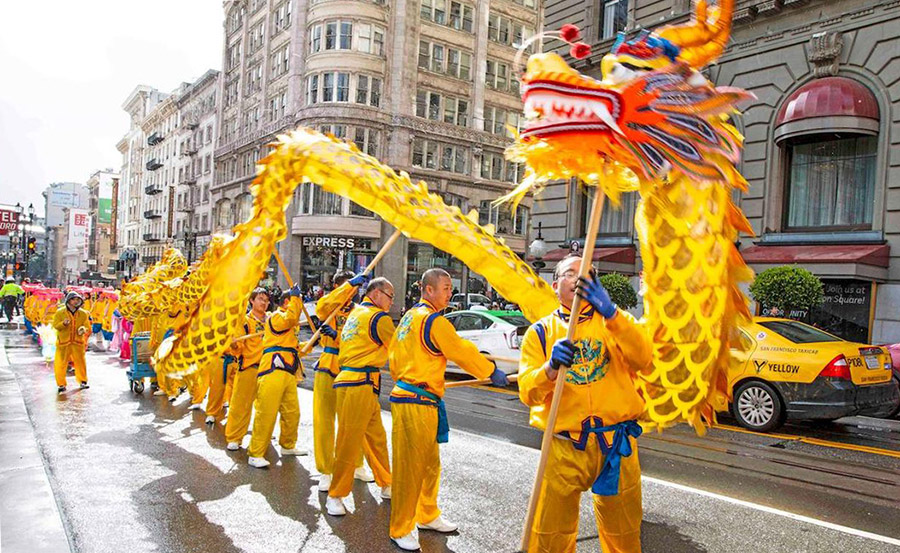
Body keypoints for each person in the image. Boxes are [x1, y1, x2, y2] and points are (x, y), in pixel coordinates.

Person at [518, 254, 651, 553]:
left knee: (624, 533)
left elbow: (643, 358)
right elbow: (528, 392)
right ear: (555, 285)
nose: (578, 278)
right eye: (570, 273)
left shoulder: (615, 323)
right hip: (564, 447)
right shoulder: (539, 334)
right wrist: (549, 369)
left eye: (587, 273)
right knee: (551, 534)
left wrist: (613, 315)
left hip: (616, 445)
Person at [387, 268, 509, 551]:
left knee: (430, 464)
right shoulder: (432, 321)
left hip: (418, 398)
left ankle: (426, 514)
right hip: (415, 401)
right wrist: (490, 370)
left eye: (449, 288)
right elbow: (461, 351)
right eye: (445, 287)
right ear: (428, 290)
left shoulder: (408, 318)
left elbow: (395, 358)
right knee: (410, 468)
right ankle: (401, 527)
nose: (449, 292)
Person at [325, 277, 396, 516]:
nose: (391, 302)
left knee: (376, 436)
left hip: (358, 383)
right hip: (358, 383)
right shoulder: (378, 318)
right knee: (348, 440)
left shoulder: (355, 313)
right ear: (376, 294)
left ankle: (386, 482)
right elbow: (399, 349)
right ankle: (335, 494)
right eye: (390, 295)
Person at [312, 269, 373, 491]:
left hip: (351, 369)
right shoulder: (329, 307)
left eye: (354, 287)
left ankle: (356, 465)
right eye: (345, 287)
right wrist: (348, 286)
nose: (350, 292)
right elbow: (320, 308)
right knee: (324, 421)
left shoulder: (361, 313)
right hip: (328, 366)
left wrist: (337, 335)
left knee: (353, 422)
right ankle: (326, 470)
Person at [247, 284, 316, 468]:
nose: (299, 307)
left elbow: (295, 349)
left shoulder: (290, 323)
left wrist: (312, 341)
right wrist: (296, 297)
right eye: (296, 302)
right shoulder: (277, 316)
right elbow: (290, 318)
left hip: (288, 372)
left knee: (292, 413)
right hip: (272, 370)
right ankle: (255, 452)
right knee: (266, 413)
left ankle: (287, 444)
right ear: (288, 302)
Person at [225, 287, 270, 450]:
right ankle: (235, 437)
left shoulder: (272, 320)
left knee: (266, 407)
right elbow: (237, 347)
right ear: (251, 301)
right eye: (260, 299)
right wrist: (234, 344)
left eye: (266, 300)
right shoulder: (244, 321)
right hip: (249, 367)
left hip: (269, 369)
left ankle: (262, 437)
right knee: (241, 406)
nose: (263, 302)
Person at [52, 291, 91, 393]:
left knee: (80, 362)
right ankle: (61, 384)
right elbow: (55, 326)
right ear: (68, 301)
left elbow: (87, 326)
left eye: (78, 299)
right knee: (61, 363)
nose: (76, 301)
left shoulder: (83, 313)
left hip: (77, 342)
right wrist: (63, 324)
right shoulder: (60, 312)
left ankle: (83, 381)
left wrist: (83, 329)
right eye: (74, 299)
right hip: (63, 342)